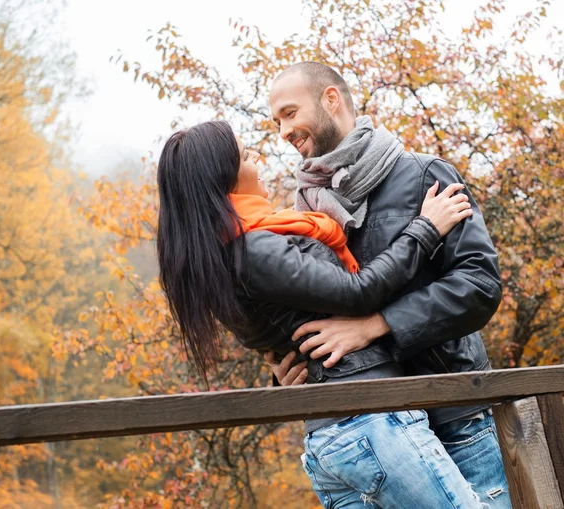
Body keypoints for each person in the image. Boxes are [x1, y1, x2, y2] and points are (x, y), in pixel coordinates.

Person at [156, 120, 488, 508]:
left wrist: (285, 376)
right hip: (368, 424)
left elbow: (285, 328)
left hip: (336, 436)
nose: (259, 158)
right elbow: (358, 292)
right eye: (247, 156)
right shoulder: (253, 250)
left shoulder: (226, 252)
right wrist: (426, 228)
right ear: (223, 178)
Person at [265, 61, 511, 508]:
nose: (282, 131)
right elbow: (309, 313)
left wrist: (379, 324)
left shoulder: (425, 176)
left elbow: (479, 283)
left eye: (288, 113)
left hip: (453, 417)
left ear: (331, 100)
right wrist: (289, 369)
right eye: (276, 122)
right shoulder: (302, 216)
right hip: (367, 432)